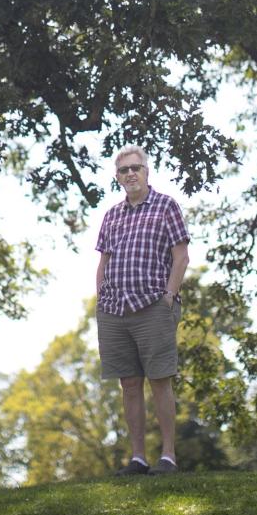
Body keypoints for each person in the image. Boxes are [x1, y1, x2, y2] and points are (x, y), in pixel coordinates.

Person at [95, 145, 190, 476]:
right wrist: (100, 299)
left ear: (147, 171)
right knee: (129, 383)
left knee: (160, 380)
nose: (131, 173)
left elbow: (181, 257)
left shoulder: (166, 206)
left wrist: (168, 296)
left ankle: (167, 456)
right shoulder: (112, 215)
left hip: (153, 306)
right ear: (118, 177)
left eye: (137, 168)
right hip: (113, 310)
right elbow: (103, 262)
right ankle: (138, 458)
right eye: (124, 170)